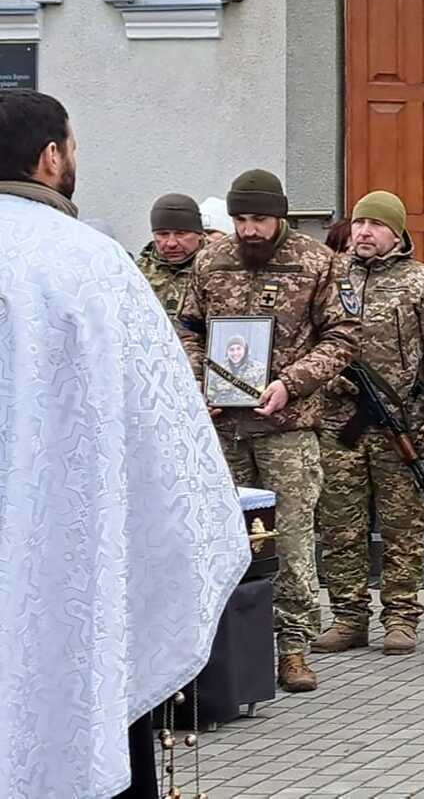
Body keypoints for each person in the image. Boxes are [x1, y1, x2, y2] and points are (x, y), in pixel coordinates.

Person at [0, 92, 248, 798]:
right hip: (68, 560)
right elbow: (164, 441)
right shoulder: (91, 263)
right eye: (72, 146)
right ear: (52, 156)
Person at [177, 168, 359, 693]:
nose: (249, 230)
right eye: (240, 219)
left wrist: (292, 383)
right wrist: (198, 382)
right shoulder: (211, 259)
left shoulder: (317, 262)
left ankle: (294, 647)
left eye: (258, 219)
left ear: (279, 216)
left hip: (286, 426)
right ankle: (231, 648)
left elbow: (344, 336)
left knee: (292, 540)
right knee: (225, 536)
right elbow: (188, 328)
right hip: (225, 426)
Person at [312, 191, 424, 657]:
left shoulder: (423, 282)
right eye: (359, 224)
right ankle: (348, 617)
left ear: (396, 233)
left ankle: (401, 616)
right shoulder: (330, 277)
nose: (363, 232)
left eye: (375, 225)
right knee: (340, 525)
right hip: (339, 427)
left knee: (403, 526)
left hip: (400, 423)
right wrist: (326, 378)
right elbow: (302, 337)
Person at [136, 192, 206, 312]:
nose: (171, 243)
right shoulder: (137, 272)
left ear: (199, 234)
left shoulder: (217, 268)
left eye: (181, 233)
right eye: (163, 234)